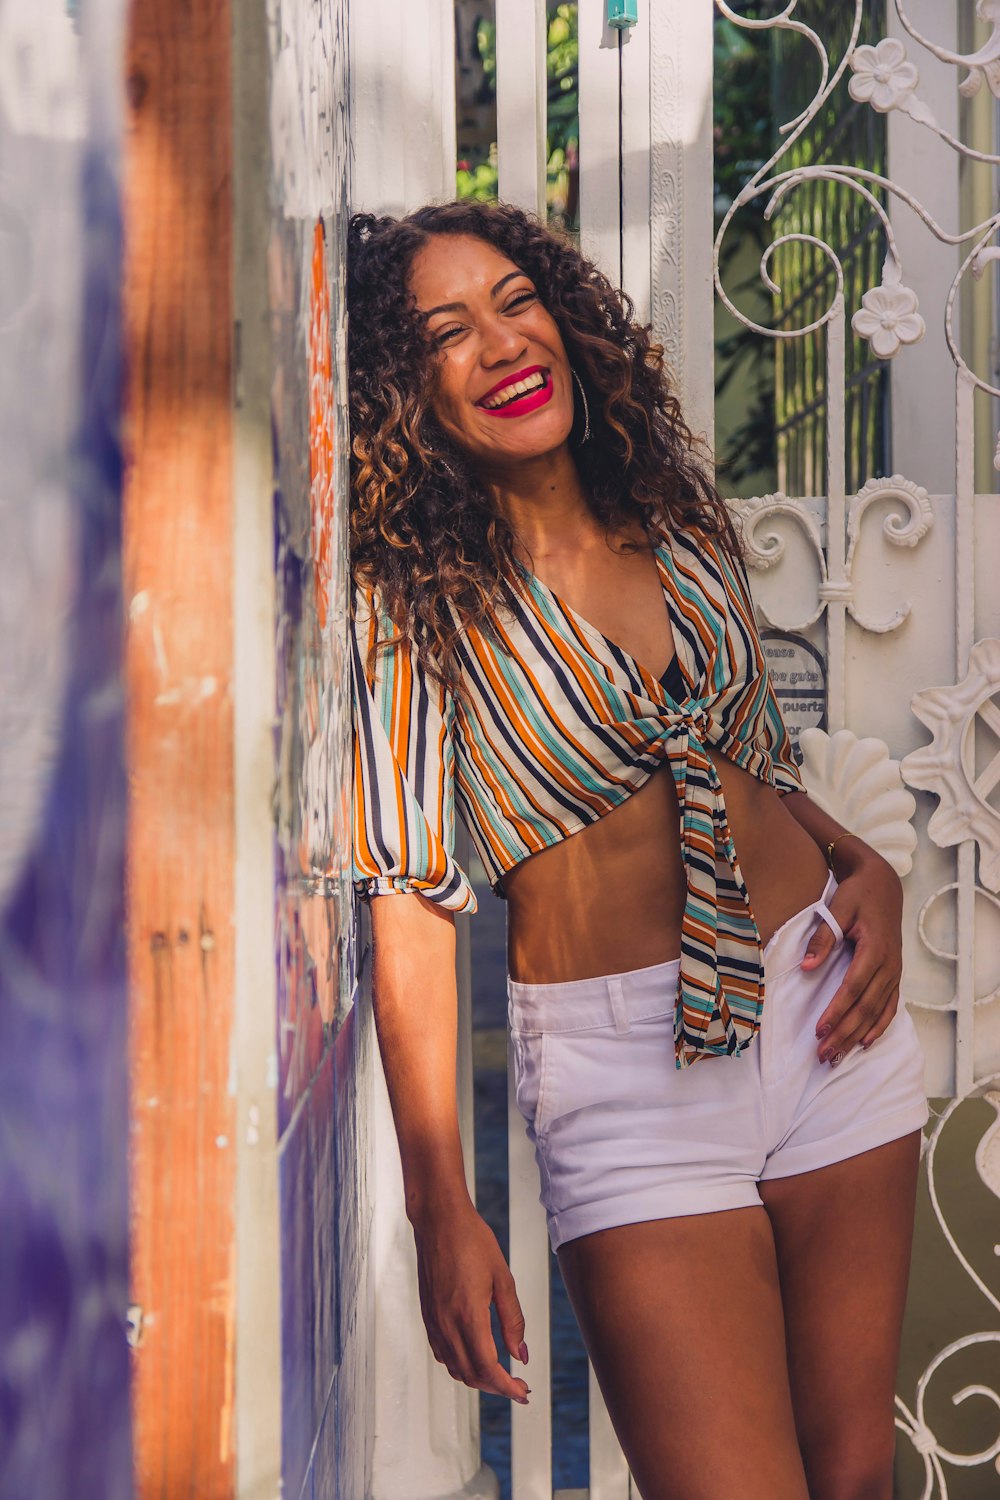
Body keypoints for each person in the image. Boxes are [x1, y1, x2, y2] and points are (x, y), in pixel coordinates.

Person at [346, 199, 929, 1500]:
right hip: (631, 1083)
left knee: (855, 1481)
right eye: (447, 332)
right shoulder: (409, 605)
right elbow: (411, 903)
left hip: (824, 1003)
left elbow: (742, 763)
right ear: (406, 391)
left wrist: (863, 867)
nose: (500, 342)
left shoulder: (660, 504)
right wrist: (443, 1207)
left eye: (514, 299)